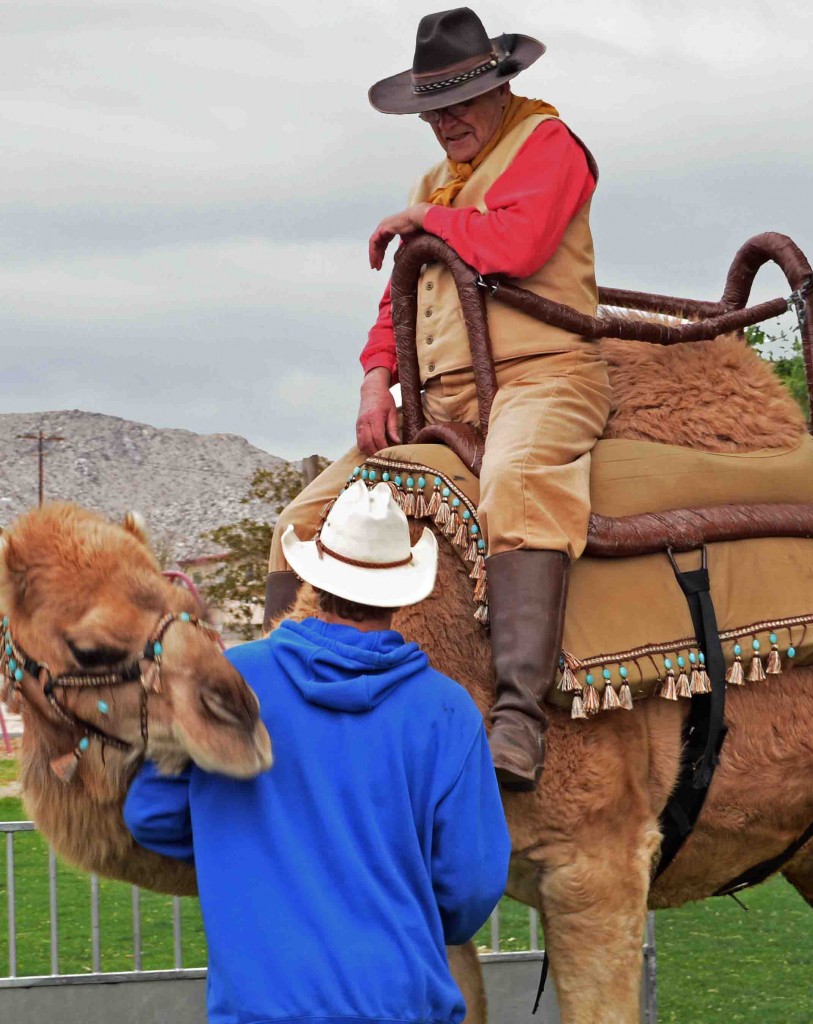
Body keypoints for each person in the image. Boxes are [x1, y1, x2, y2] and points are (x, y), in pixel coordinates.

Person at [265, 7, 612, 792]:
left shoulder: (547, 144)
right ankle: (283, 709)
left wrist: (424, 220)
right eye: (433, 111)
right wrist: (375, 377)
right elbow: (400, 298)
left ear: (500, 87)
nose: (444, 123)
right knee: (302, 520)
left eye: (459, 104)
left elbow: (515, 246)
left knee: (518, 483)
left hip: (544, 376)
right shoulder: (437, 184)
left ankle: (519, 718)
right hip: (444, 402)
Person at [124, 480, 510, 1024]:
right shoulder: (447, 712)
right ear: (404, 593)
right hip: (401, 1006)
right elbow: (470, 885)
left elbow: (150, 814)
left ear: (314, 579)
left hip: (260, 1010)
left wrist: (248, 851)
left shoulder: (232, 682)